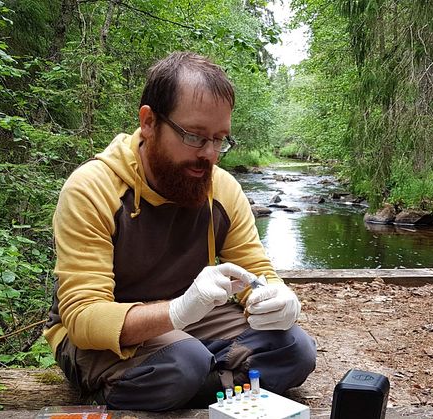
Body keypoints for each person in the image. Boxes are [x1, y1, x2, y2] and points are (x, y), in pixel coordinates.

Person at [44, 51, 316, 411]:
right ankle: (201, 377)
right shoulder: (91, 189)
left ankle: (188, 380)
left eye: (220, 139)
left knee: (294, 349)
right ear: (148, 122)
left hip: (190, 322)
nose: (210, 154)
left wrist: (276, 297)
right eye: (194, 136)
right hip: (105, 330)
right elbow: (83, 318)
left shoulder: (222, 188)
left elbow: (256, 271)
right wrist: (178, 311)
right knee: (183, 362)